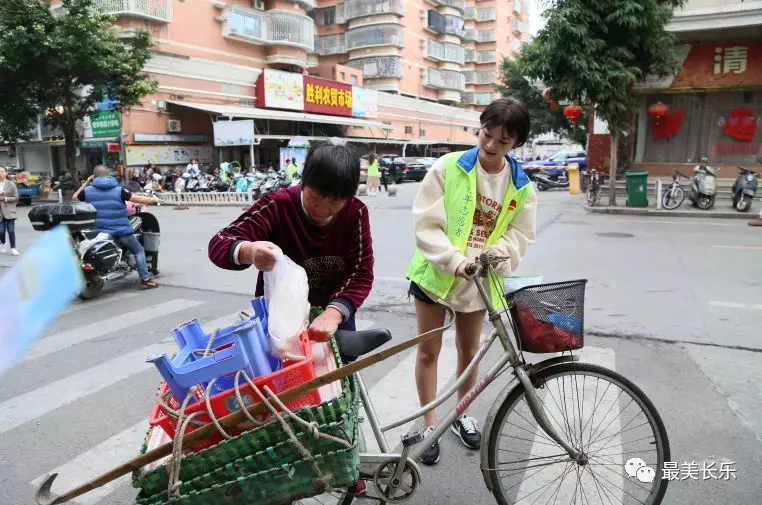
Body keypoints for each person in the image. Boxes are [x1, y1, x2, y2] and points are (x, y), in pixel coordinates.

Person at [407, 97, 537, 465]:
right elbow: (426, 223)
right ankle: (429, 423)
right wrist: (454, 260)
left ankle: (461, 414)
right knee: (429, 352)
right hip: (436, 274)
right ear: (479, 127)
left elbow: (520, 234)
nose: (492, 146)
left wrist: (495, 255)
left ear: (517, 144)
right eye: (487, 134)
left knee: (469, 353)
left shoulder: (522, 185)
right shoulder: (448, 167)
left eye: (503, 141)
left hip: (480, 280)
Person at [209, 142, 373, 341]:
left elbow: (361, 272)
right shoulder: (276, 205)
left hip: (334, 315)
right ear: (303, 181)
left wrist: (333, 314)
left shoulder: (355, 212)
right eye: (315, 197)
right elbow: (220, 242)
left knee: (338, 367)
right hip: (280, 319)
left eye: (335, 203)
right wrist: (249, 251)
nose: (321, 210)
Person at [73, 165, 160, 289]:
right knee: (139, 250)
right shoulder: (119, 190)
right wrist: (154, 200)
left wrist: (86, 183)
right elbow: (138, 199)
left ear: (93, 176)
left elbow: (75, 197)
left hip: (97, 230)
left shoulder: (87, 191)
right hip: (120, 230)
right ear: (109, 175)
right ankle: (145, 279)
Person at [0, 167, 20, 255]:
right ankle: (3, 243)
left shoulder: (11, 184)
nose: (0, 173)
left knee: (11, 230)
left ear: (6, 173)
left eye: (1, 171)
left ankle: (13, 248)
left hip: (9, 211)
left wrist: (5, 198)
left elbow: (16, 198)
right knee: (1, 231)